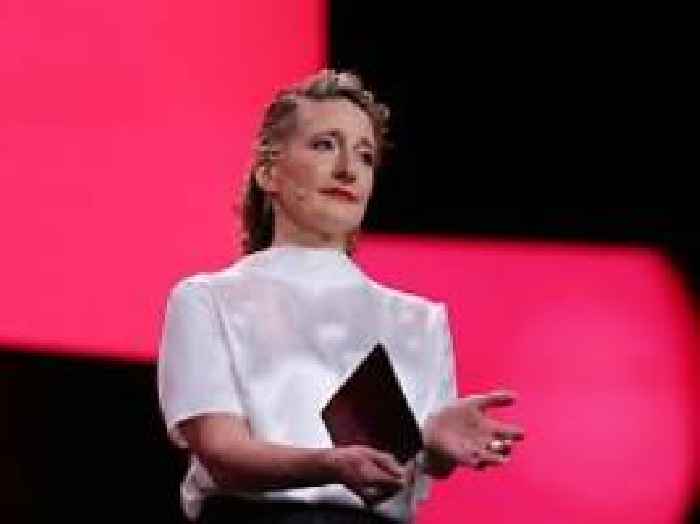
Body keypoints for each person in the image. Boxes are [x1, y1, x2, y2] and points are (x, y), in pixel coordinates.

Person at [157, 69, 524, 524]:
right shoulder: (208, 300)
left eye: (365, 156)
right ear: (269, 173)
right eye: (325, 145)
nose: (348, 170)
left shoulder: (419, 321)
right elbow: (221, 451)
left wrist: (431, 441)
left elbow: (414, 474)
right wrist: (330, 465)